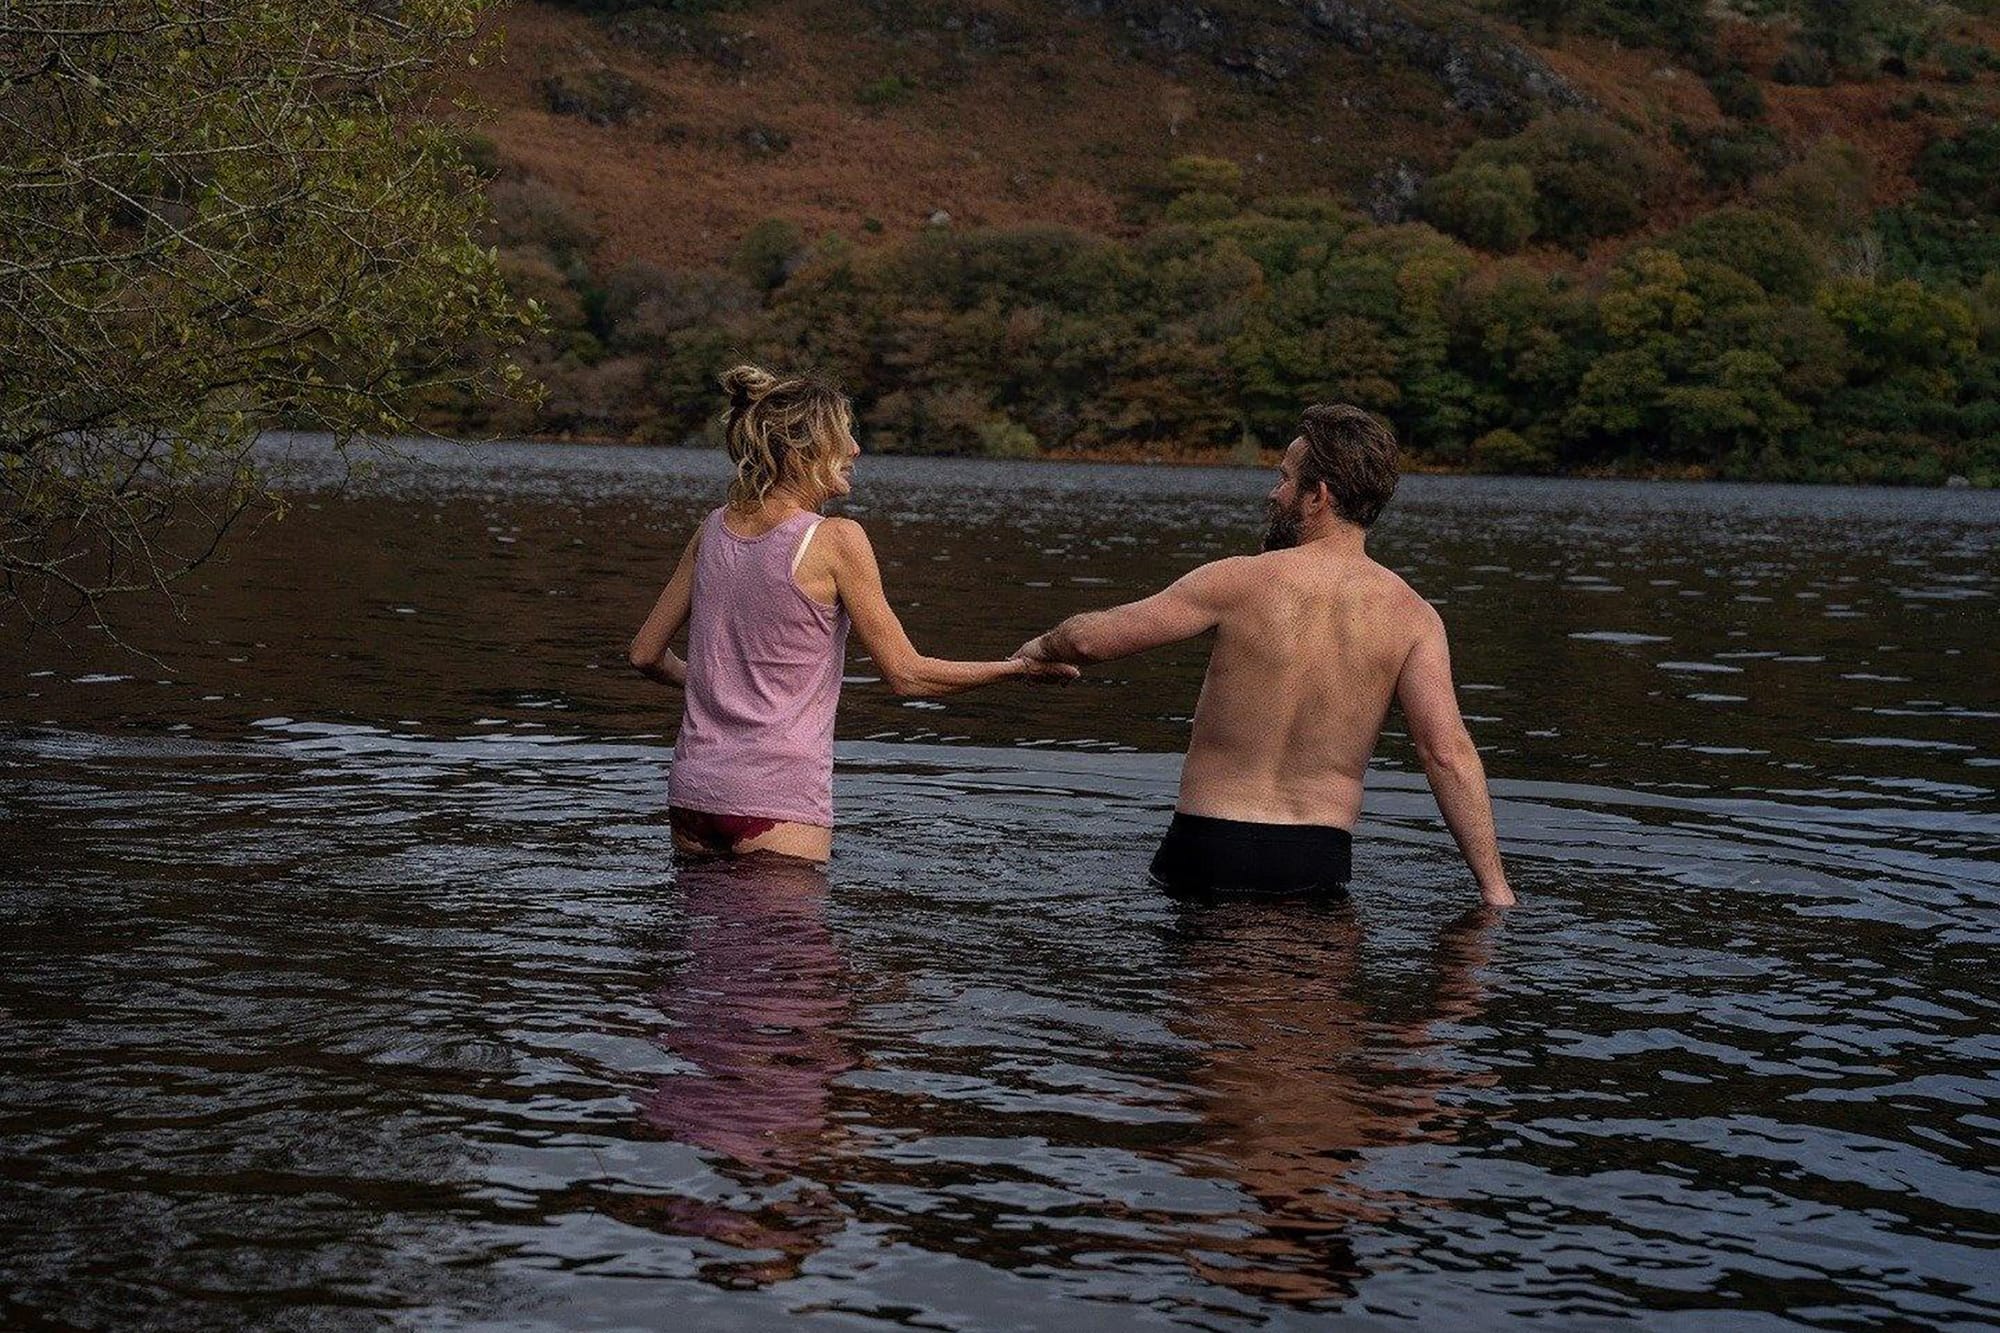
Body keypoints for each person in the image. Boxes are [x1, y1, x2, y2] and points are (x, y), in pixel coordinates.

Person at [1015, 404, 1514, 907]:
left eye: (1283, 478)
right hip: (1315, 859)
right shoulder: (1414, 617)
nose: (1273, 492)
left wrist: (1040, 648)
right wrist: (1495, 889)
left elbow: (1088, 641)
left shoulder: (1237, 580)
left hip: (1208, 847)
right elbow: (1447, 756)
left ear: (1317, 496)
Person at [629, 365, 1074, 863]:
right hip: (778, 799)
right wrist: (1017, 669)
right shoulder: (837, 539)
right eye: (844, 437)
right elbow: (908, 676)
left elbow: (645, 655)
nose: (856, 450)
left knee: (706, 939)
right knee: (787, 942)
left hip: (694, 791)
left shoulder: (710, 530)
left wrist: (722, 688)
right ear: (801, 453)